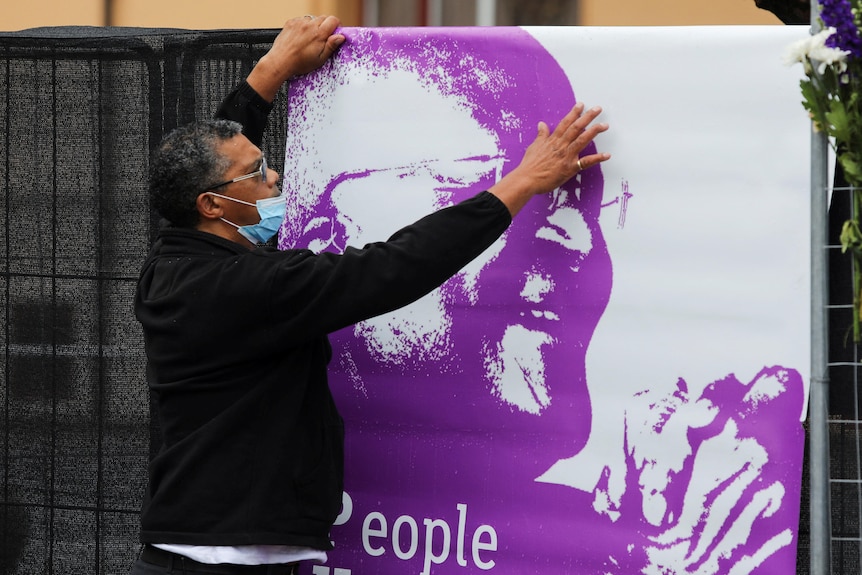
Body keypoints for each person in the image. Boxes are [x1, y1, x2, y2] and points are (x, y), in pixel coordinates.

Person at [279, 27, 806, 575]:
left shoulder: (633, 528)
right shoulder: (241, 351)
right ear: (326, 240)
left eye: (586, 203)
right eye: (500, 182)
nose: (578, 242)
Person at [130, 15, 610, 575]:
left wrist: (270, 73)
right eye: (259, 172)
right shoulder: (247, 288)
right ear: (212, 207)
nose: (276, 175)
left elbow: (218, 160)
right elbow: (394, 267)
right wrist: (520, 182)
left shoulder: (176, 264)